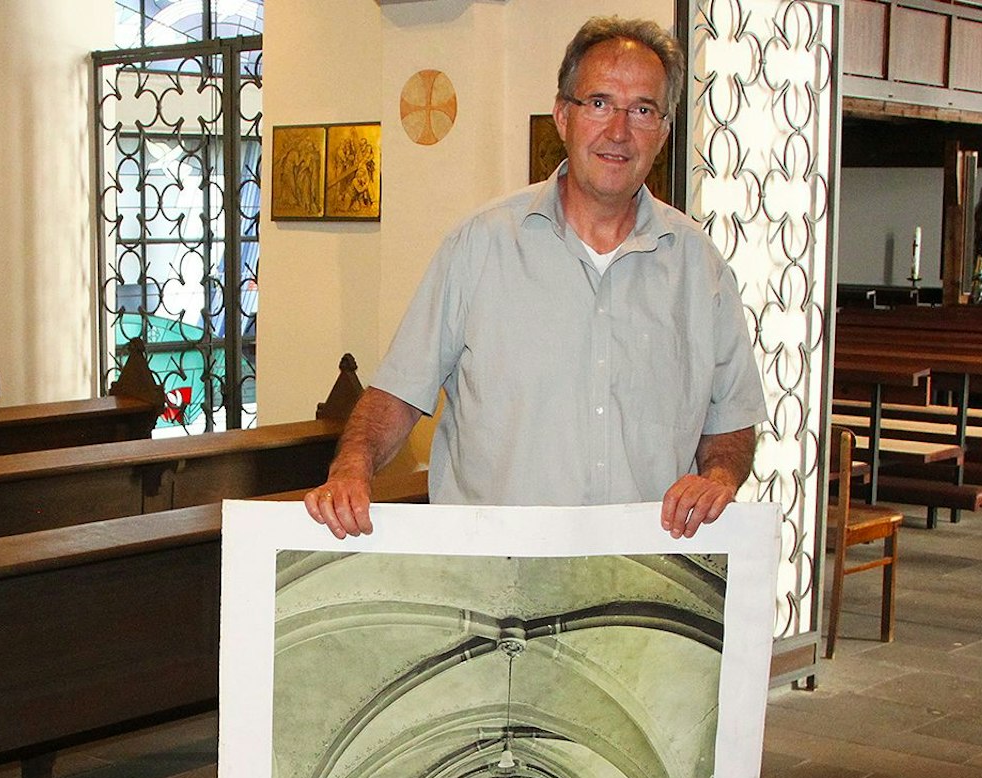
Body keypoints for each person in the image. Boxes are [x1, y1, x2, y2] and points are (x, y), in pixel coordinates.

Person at [305, 16, 766, 540]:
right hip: (494, 568)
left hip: (640, 570)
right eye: (599, 103)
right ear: (563, 116)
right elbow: (398, 393)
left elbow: (732, 420)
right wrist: (351, 468)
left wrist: (719, 477)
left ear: (663, 132)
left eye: (642, 110)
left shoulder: (701, 268)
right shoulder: (480, 246)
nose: (619, 132)